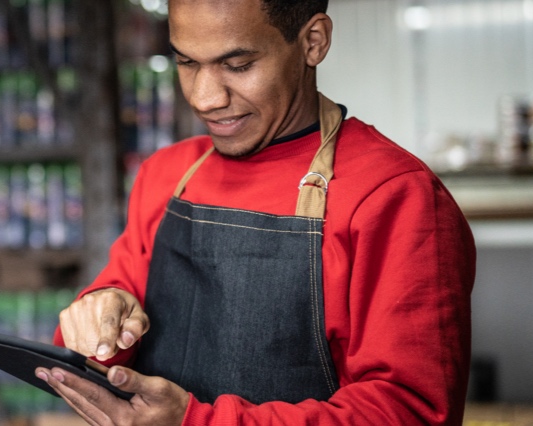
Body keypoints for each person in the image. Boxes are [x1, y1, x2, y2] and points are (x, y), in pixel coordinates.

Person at [35, 0, 476, 424]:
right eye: (186, 63)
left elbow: (409, 413)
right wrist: (101, 320)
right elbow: (105, 323)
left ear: (313, 41)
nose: (204, 98)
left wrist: (197, 423)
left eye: (237, 65)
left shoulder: (394, 198)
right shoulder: (166, 175)